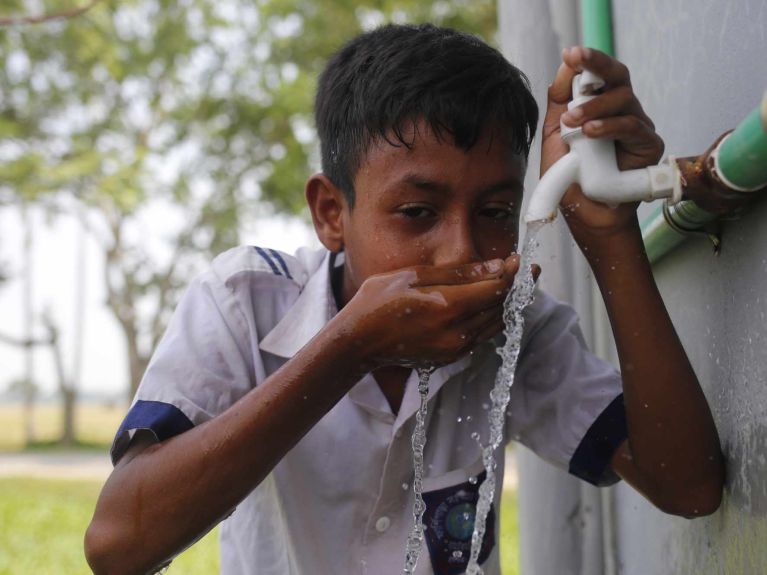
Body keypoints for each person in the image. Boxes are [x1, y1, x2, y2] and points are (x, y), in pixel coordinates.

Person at [85, 24, 724, 575]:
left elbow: (689, 486)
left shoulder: (513, 329)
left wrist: (610, 235)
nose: (458, 251)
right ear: (331, 212)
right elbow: (119, 545)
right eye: (417, 211)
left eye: (497, 211)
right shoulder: (245, 303)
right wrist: (350, 347)